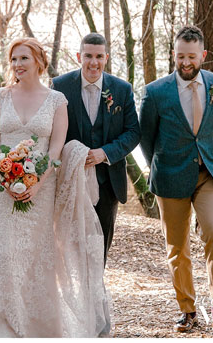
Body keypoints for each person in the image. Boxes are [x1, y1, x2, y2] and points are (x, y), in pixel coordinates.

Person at [0, 38, 108, 337]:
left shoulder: (56, 100)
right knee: (6, 254)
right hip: (2, 191)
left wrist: (36, 184)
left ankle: (39, 327)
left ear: (39, 61)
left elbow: (55, 150)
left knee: (37, 255)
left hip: (41, 189)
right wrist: (4, 178)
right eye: (13, 59)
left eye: (24, 58)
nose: (17, 64)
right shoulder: (0, 97)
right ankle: (4, 326)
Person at [138, 26, 213, 333]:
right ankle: (187, 310)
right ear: (174, 55)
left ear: (202, 55)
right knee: (177, 246)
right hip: (170, 177)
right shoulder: (155, 92)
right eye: (181, 56)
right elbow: (146, 138)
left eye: (192, 57)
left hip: (208, 172)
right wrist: (162, 165)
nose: (186, 62)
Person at [52, 33, 141, 265]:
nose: (94, 62)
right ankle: (76, 287)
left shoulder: (121, 89)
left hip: (108, 181)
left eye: (99, 56)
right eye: (88, 56)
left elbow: (133, 132)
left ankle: (95, 286)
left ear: (106, 58)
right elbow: (52, 131)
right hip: (70, 178)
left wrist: (105, 153)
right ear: (78, 56)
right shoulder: (60, 86)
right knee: (70, 245)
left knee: (100, 247)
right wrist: (72, 154)